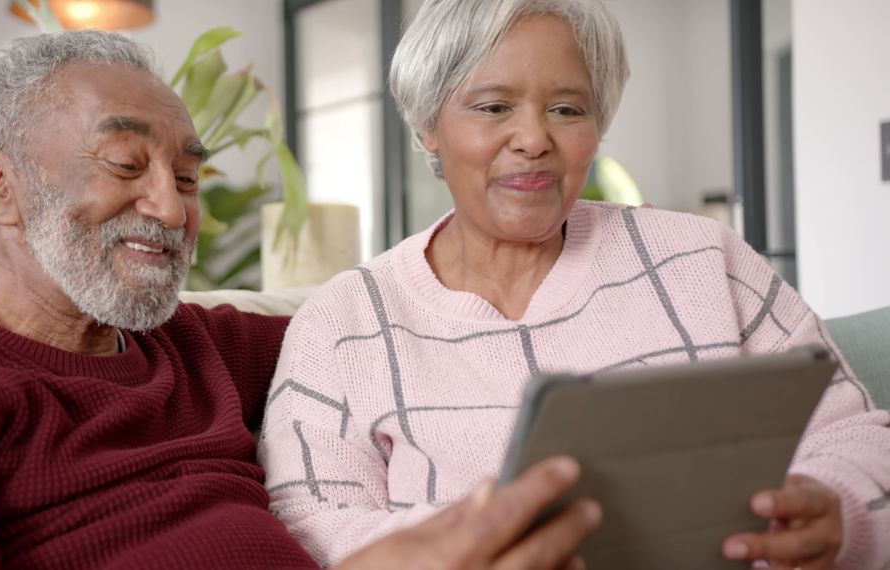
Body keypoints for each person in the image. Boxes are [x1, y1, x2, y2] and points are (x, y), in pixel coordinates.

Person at [0, 31, 601, 569]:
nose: (170, 207)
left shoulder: (200, 345)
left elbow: (408, 329)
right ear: (2, 188)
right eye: (126, 163)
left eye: (187, 178)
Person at [257, 0, 890, 568]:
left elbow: (852, 433)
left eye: (567, 109)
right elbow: (310, 525)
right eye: (494, 107)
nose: (534, 140)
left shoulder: (702, 258)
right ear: (429, 124)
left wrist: (838, 510)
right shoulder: (343, 321)